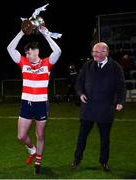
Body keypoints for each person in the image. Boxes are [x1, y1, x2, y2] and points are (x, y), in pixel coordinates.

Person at [7, 26, 61, 174]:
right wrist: (21, 32)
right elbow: (10, 49)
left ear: (36, 51)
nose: (27, 54)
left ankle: (38, 161)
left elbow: (58, 51)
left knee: (40, 135)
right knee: (21, 136)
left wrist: (46, 35)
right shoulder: (23, 63)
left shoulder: (46, 64)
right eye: (26, 53)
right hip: (26, 104)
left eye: (29, 52)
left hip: (41, 105)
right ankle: (32, 149)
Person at [71, 42, 126, 171]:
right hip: (88, 108)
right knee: (82, 137)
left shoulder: (116, 67)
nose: (94, 54)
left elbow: (121, 87)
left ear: (105, 52)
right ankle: (77, 159)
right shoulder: (87, 65)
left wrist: (121, 102)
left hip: (106, 109)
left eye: (97, 52)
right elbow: (79, 82)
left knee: (105, 139)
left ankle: (104, 161)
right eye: (93, 52)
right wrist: (80, 94)